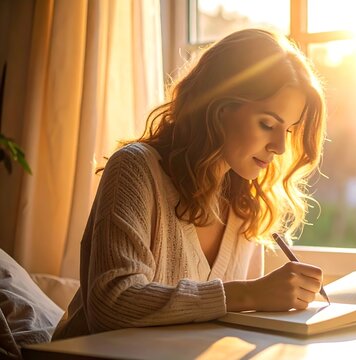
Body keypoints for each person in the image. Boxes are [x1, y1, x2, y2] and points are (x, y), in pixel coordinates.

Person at [53, 28, 327, 339]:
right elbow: (112, 303)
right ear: (218, 110)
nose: (279, 146)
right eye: (267, 124)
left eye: (288, 131)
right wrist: (250, 294)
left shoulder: (246, 204)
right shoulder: (135, 168)